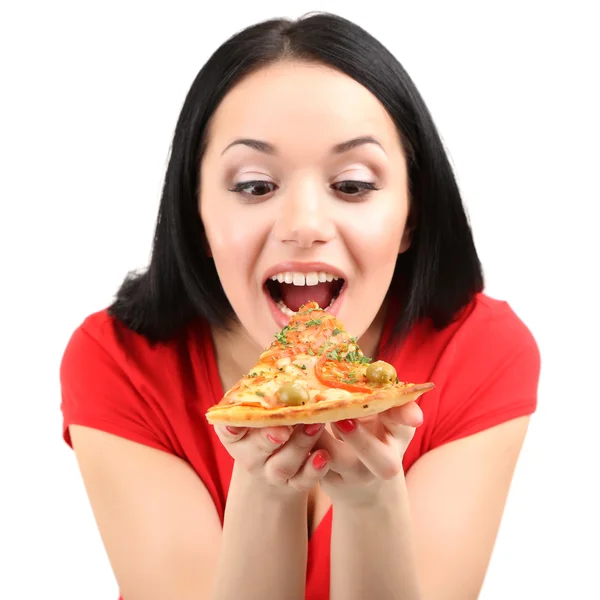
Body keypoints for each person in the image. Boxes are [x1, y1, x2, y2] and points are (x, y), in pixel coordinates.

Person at [59, 12, 540, 600]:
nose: (306, 225)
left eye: (354, 184)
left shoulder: (484, 351)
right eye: (257, 186)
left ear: (411, 214)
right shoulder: (116, 361)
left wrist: (372, 499)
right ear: (199, 216)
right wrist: (264, 487)